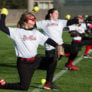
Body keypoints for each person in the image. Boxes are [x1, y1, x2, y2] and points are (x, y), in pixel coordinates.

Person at [0, 8, 62, 91]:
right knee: (24, 87)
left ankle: (48, 83)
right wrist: (3, 14)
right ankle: (2, 85)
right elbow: (2, 27)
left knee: (52, 61)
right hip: (24, 64)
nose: (34, 22)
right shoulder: (17, 32)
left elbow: (47, 40)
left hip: (36, 60)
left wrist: (57, 45)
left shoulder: (36, 32)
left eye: (34, 20)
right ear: (25, 21)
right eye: (32, 20)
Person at [36, 8, 81, 73]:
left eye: (58, 13)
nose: (58, 14)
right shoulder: (44, 23)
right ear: (51, 14)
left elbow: (70, 21)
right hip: (50, 48)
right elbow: (33, 25)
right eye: (56, 13)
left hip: (60, 45)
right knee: (49, 65)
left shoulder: (60, 22)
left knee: (75, 49)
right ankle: (35, 64)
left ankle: (68, 64)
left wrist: (77, 20)